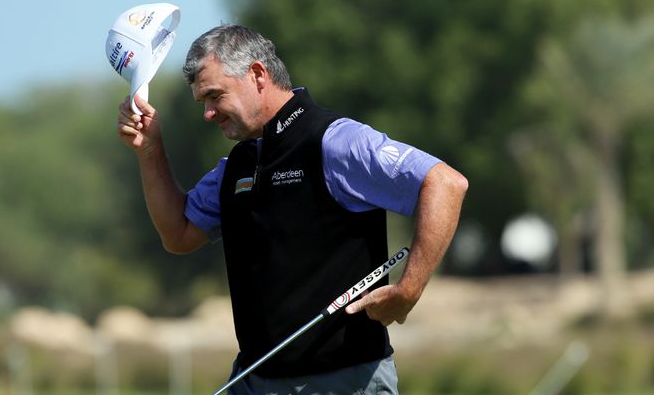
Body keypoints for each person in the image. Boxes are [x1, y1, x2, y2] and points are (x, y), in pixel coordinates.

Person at [117, 24, 468, 394]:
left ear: (257, 75)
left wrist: (409, 289)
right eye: (202, 101)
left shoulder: (334, 141)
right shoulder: (238, 164)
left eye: (214, 96)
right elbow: (179, 234)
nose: (208, 113)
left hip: (344, 381)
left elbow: (445, 184)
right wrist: (149, 149)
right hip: (254, 380)